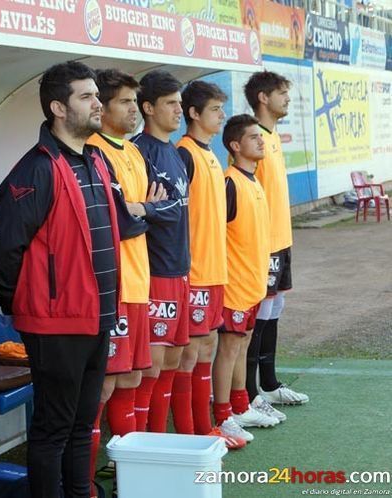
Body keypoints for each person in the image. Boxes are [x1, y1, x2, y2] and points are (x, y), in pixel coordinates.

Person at [0, 61, 120, 498]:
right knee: (53, 429)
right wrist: (26, 306)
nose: (97, 103)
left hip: (97, 315)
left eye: (96, 96)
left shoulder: (97, 159)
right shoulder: (36, 169)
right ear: (58, 108)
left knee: (83, 425)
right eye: (86, 97)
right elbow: (7, 250)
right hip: (56, 323)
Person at [84, 69, 166, 493]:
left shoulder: (132, 152)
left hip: (139, 283)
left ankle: (125, 473)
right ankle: (86, 479)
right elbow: (120, 219)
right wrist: (139, 211)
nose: (133, 109)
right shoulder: (96, 153)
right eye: (124, 102)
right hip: (113, 287)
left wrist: (141, 210)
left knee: (132, 378)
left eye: (135, 102)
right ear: (102, 108)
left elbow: (154, 208)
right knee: (105, 384)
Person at [175, 81, 242, 448]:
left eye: (221, 109)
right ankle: (194, 433)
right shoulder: (184, 153)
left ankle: (206, 427)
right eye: (215, 110)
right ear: (194, 114)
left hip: (217, 271)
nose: (221, 116)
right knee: (190, 353)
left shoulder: (212, 155)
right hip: (195, 272)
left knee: (206, 349)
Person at [212, 114, 278, 444]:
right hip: (233, 284)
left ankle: (240, 404)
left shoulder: (254, 181)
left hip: (253, 283)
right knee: (228, 349)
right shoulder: (228, 182)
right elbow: (213, 233)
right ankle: (223, 414)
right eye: (253, 137)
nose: (261, 141)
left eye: (260, 136)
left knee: (242, 346)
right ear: (235, 146)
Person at [244, 71, 309, 406]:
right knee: (258, 312)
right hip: (263, 243)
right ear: (263, 98)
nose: (287, 98)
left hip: (281, 240)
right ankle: (250, 391)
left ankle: (268, 383)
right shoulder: (252, 137)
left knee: (275, 307)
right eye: (281, 92)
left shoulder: (272, 137)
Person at [131, 70, 189, 433]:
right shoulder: (140, 151)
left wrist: (158, 207)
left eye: (180, 103)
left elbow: (172, 208)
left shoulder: (175, 152)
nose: (178, 110)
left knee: (172, 359)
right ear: (148, 107)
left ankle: (160, 440)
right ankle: (140, 449)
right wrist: (154, 208)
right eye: (170, 103)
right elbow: (139, 209)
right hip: (154, 272)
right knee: (150, 365)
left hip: (181, 269)